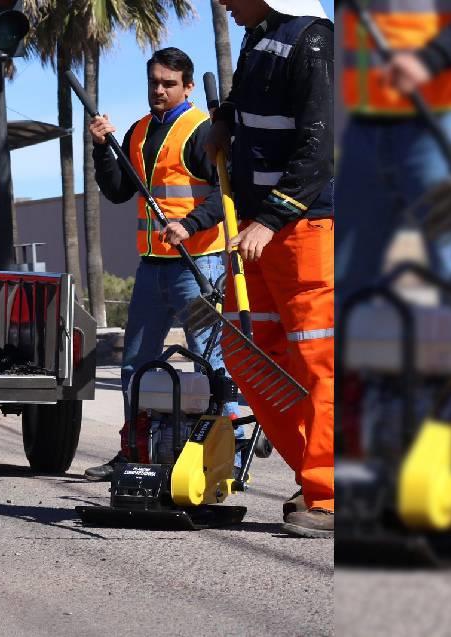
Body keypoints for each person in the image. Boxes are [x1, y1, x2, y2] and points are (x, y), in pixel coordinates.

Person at [83, 47, 242, 482]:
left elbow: (225, 190)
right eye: (154, 81)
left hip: (197, 269)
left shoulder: (202, 131)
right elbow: (117, 190)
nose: (159, 89)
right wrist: (101, 150)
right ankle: (133, 450)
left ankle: (227, 453)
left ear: (187, 87)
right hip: (153, 269)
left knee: (209, 364)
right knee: (136, 363)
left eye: (169, 83)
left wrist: (189, 225)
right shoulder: (137, 132)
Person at [209, 0, 334, 538]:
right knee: (245, 352)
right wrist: (220, 122)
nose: (223, 3)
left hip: (304, 229)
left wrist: (273, 217)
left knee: (316, 362)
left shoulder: (314, 40)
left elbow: (320, 143)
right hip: (255, 230)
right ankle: (316, 476)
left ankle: (332, 493)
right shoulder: (258, 37)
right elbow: (245, 108)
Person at [337, 2, 451, 296]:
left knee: (448, 254)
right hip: (364, 127)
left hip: (431, 123)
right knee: (347, 269)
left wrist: (429, 60)